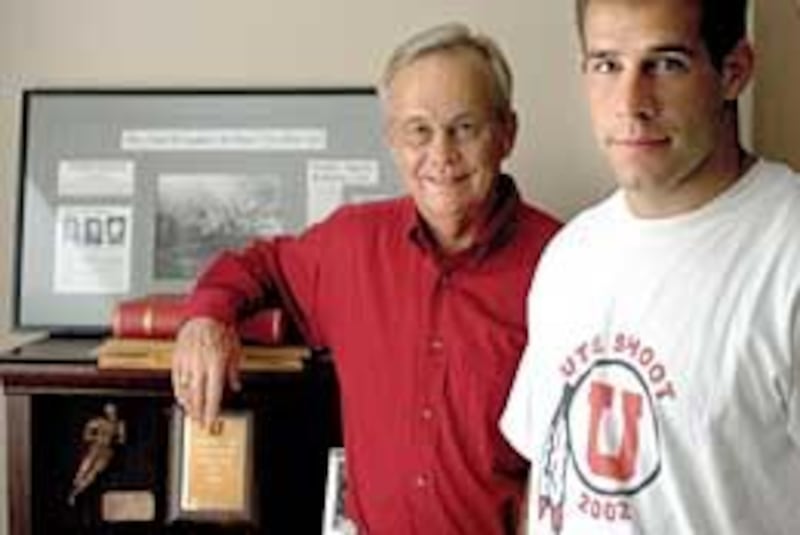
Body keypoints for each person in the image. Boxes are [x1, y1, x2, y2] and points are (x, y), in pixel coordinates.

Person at [172, 23, 560, 534]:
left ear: (507, 133)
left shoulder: (566, 263)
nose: (441, 155)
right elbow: (255, 265)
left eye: (465, 127)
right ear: (393, 142)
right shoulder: (349, 246)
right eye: (418, 130)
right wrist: (206, 319)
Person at [501, 0, 800, 533]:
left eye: (665, 64)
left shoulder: (786, 254)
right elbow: (549, 484)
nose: (631, 103)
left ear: (734, 72)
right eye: (607, 65)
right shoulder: (569, 256)